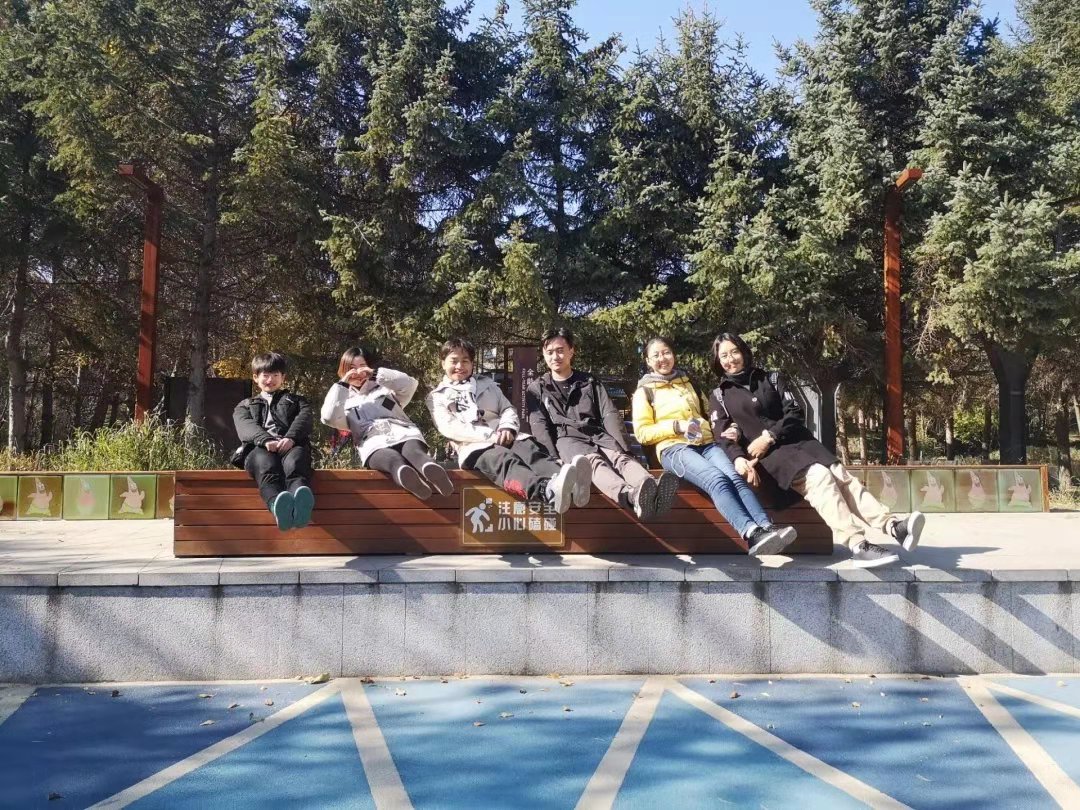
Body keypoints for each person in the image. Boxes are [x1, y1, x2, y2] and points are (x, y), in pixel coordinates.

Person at [708, 332, 924, 568]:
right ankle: (857, 545)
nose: (731, 359)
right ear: (718, 361)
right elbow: (723, 436)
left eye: (734, 352)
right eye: (724, 356)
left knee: (842, 476)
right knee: (819, 477)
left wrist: (769, 436)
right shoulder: (720, 396)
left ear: (744, 352)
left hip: (800, 442)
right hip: (773, 459)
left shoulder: (771, 378)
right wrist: (738, 458)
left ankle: (893, 527)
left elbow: (795, 412)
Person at [632, 337, 798, 556]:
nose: (663, 358)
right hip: (674, 449)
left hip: (707, 444)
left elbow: (711, 416)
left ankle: (766, 528)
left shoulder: (688, 383)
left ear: (673, 354)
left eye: (666, 352)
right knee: (716, 479)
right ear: (648, 361)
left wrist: (731, 429)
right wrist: (676, 426)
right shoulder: (644, 391)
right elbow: (642, 433)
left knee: (735, 476)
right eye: (656, 355)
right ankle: (751, 533)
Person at [527, 327, 679, 520]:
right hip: (567, 440)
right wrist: (552, 459)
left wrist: (623, 447)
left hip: (596, 433)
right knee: (592, 462)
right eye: (549, 352)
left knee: (621, 458)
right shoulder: (538, 389)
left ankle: (652, 488)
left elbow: (609, 414)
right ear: (543, 354)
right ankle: (631, 496)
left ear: (571, 351)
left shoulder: (589, 382)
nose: (555, 356)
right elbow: (540, 426)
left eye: (560, 350)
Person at [426, 337, 590, 513]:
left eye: (465, 361)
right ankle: (547, 491)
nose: (460, 366)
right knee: (505, 460)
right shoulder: (437, 397)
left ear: (472, 364)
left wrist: (508, 427)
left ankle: (570, 483)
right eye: (454, 361)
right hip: (474, 446)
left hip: (506, 435)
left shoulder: (488, 385)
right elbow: (450, 427)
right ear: (443, 363)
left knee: (531, 450)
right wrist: (491, 436)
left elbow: (507, 408)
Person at [321, 346, 453, 501]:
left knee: (414, 453)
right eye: (351, 368)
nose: (357, 373)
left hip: (403, 432)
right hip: (372, 442)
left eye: (362, 366)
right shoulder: (342, 400)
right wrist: (342, 384)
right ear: (343, 370)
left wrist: (376, 373)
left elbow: (410, 384)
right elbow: (329, 417)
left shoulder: (385, 387)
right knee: (392, 460)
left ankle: (432, 470)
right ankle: (407, 478)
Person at [232, 351, 315, 531]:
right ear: (256, 377)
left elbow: (305, 418)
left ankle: (300, 504)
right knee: (266, 466)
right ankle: (277, 506)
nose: (270, 380)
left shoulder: (297, 401)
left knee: (296, 463)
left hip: (290, 446)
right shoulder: (245, 405)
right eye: (266, 375)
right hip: (259, 449)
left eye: (275, 375)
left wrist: (291, 438)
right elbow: (244, 425)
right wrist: (265, 439)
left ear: (283, 377)